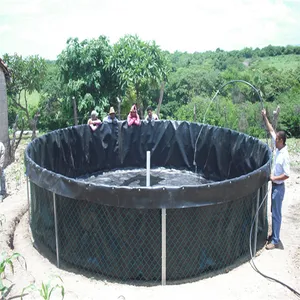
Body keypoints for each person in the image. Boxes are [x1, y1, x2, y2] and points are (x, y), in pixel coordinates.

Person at [262, 108, 290, 250]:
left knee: (277, 213)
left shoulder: (284, 155)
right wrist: (265, 116)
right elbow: (271, 130)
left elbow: (287, 174)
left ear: (281, 141)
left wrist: (274, 177)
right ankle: (273, 235)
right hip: (275, 186)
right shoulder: (278, 148)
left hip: (278, 187)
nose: (275, 140)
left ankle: (275, 240)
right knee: (274, 211)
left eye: (277, 139)